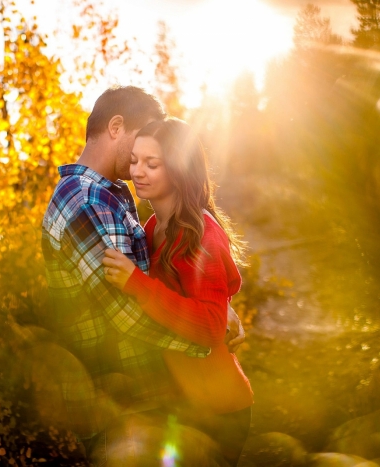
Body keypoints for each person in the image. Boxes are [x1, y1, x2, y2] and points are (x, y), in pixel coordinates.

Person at [40, 86, 245, 463]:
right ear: (116, 126)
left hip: (147, 401)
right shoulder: (88, 201)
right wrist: (208, 337)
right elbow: (127, 315)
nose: (139, 169)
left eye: (154, 160)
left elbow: (167, 277)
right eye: (139, 153)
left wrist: (219, 310)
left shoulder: (112, 195)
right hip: (121, 401)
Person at [102, 117, 254, 466]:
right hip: (182, 404)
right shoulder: (154, 226)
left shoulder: (201, 236)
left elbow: (211, 327)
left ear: (178, 170)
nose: (137, 171)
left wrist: (137, 285)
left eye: (152, 164)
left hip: (219, 410)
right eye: (136, 160)